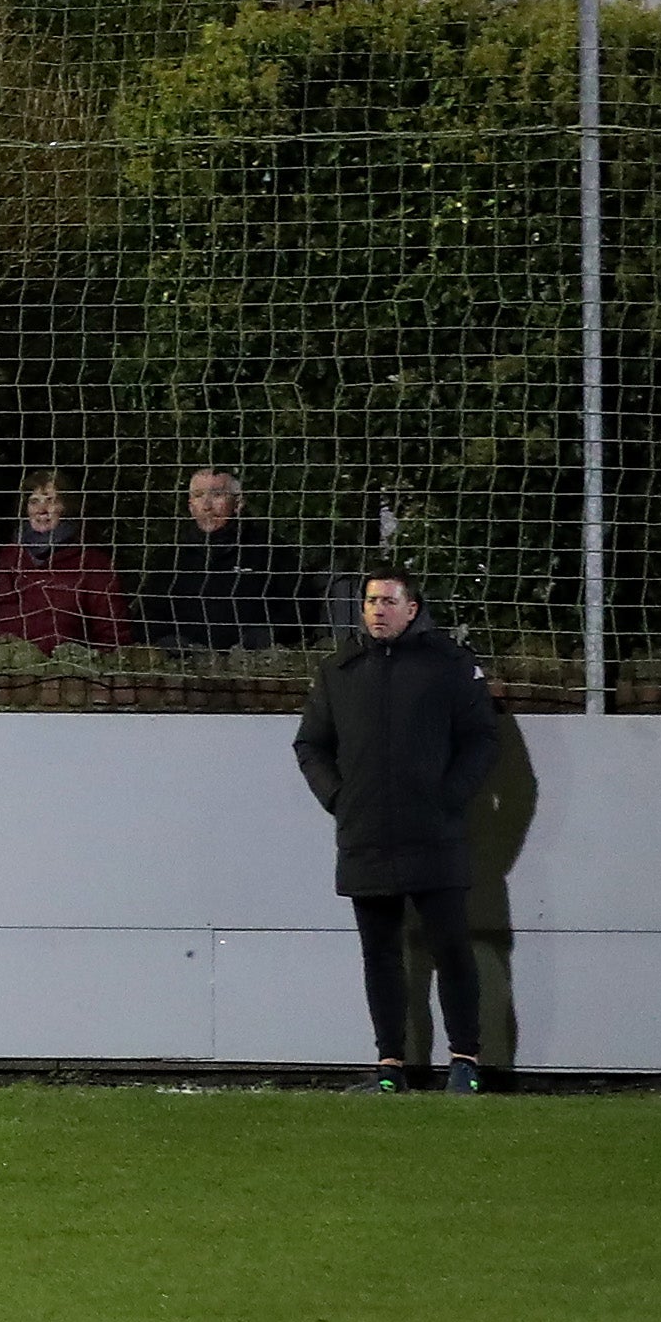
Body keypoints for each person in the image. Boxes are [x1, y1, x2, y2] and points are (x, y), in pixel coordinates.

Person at [296, 568, 506, 1093]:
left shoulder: (449, 666)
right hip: (365, 833)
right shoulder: (339, 671)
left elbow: (481, 739)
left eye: (389, 601)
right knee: (380, 954)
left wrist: (449, 797)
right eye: (371, 601)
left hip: (433, 832)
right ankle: (389, 1066)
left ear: (412, 609)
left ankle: (464, 1062)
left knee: (451, 949)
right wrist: (340, 798)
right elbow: (311, 745)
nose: (378, 610)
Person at [0, 474, 133, 652]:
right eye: (34, 501)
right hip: (3, 670)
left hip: (69, 671)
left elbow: (112, 632)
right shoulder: (4, 559)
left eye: (50, 500)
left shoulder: (92, 563)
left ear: (67, 507)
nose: (41, 509)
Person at [146, 466, 304, 652]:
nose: (207, 505)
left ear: (238, 503)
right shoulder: (171, 558)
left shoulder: (270, 551)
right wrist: (169, 640)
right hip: (186, 667)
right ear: (190, 506)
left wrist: (268, 635)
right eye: (198, 495)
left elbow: (301, 606)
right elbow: (148, 615)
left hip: (256, 665)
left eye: (217, 495)